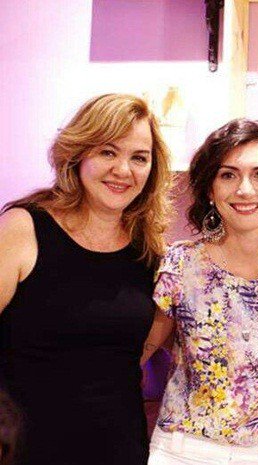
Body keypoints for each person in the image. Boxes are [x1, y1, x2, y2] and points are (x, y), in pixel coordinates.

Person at [142, 118, 258, 465]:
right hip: (182, 448)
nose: (245, 190)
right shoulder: (182, 263)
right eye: (228, 175)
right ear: (210, 189)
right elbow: (143, 348)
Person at [0, 93, 172, 465]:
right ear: (78, 153)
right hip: (27, 452)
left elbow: (141, 351)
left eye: (139, 157)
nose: (123, 170)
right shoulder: (23, 228)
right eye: (108, 152)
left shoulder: (149, 251)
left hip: (120, 450)